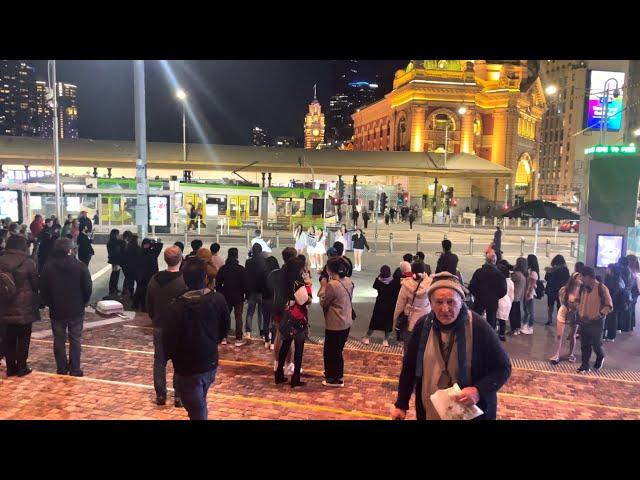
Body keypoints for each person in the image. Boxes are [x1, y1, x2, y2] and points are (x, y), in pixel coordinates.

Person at [391, 272, 512, 420]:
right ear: (430, 302)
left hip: (468, 414)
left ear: (461, 301)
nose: (445, 309)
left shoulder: (478, 327)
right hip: (431, 411)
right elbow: (409, 367)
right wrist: (401, 404)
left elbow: (503, 367)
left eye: (451, 302)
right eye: (439, 302)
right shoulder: (423, 326)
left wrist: (478, 390)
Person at [161, 258, 230, 420]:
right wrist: (213, 341)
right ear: (205, 277)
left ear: (184, 278)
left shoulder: (176, 307)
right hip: (209, 362)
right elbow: (224, 327)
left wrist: (171, 357)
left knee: (197, 411)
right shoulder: (218, 299)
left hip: (186, 368)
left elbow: (168, 340)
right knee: (199, 404)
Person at [39, 238, 92, 376]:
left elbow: (43, 289)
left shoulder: (48, 266)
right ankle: (75, 368)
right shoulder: (80, 266)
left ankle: (61, 368)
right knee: (75, 339)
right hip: (76, 309)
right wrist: (84, 302)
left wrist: (50, 303)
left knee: (59, 339)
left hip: (57, 309)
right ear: (70, 249)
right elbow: (87, 287)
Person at [146, 246, 188, 406]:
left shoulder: (154, 279)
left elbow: (148, 305)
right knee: (180, 361)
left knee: (159, 361)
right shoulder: (184, 281)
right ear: (181, 259)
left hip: (159, 326)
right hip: (179, 329)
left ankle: (161, 395)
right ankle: (178, 396)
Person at [0, 235, 40, 377]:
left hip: (4, 307)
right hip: (25, 308)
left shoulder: (1, 260)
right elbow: (36, 285)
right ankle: (22, 367)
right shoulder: (28, 262)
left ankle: (11, 368)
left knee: (8, 338)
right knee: (23, 339)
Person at [275, 255, 312, 388]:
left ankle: (279, 373)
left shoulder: (283, 279)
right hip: (297, 317)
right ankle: (295, 377)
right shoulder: (298, 282)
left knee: (285, 344)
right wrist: (308, 285)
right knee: (299, 347)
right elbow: (304, 300)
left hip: (286, 315)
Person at [319, 257, 354, 387]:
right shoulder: (348, 281)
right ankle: (331, 373)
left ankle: (335, 378)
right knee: (337, 350)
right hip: (346, 321)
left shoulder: (332, 285)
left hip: (335, 323)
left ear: (330, 270)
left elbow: (324, 302)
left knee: (331, 351)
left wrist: (323, 287)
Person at [576, 267, 612, 372]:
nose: (581, 279)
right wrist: (579, 309)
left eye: (582, 276)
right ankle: (585, 365)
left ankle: (600, 356)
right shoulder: (583, 288)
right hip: (583, 321)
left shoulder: (601, 288)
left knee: (596, 344)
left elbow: (609, 305)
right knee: (584, 344)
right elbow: (579, 301)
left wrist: (599, 315)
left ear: (588, 277)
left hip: (596, 322)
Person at [268, 247, 297, 369]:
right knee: (291, 336)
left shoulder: (275, 274)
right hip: (290, 307)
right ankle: (289, 363)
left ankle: (276, 362)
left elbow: (270, 289)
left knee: (279, 334)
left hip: (277, 306)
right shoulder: (295, 275)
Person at [393, 261, 432, 350]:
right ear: (424, 271)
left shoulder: (406, 285)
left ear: (412, 271)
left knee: (409, 347)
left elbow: (400, 305)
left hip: (411, 320)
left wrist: (395, 321)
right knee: (424, 347)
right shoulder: (430, 283)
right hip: (427, 319)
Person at [215, 247, 248, 346]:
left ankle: (224, 337)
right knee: (238, 317)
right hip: (238, 296)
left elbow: (218, 283)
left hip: (226, 296)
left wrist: (220, 292)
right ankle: (238, 338)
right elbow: (246, 283)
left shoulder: (223, 268)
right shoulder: (241, 269)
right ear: (237, 256)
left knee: (225, 316)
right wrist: (246, 294)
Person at [362, 265, 400, 347]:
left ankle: (367, 338)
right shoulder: (394, 282)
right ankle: (385, 340)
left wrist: (378, 277)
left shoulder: (378, 282)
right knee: (388, 323)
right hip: (390, 306)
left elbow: (374, 285)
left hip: (379, 305)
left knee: (374, 322)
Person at [468, 252, 507, 330]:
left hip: (480, 299)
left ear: (486, 260)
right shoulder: (499, 274)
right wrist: (496, 297)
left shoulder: (479, 272)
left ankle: (474, 334)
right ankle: (490, 338)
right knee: (491, 321)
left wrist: (477, 295)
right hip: (492, 301)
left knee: (475, 319)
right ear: (495, 261)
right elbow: (503, 290)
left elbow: (472, 286)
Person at [550, 272, 582, 365]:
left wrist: (576, 305)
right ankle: (556, 354)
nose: (581, 279)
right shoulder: (564, 289)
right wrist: (575, 303)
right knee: (559, 335)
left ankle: (571, 354)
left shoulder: (582, 291)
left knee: (572, 335)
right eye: (578, 278)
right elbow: (563, 302)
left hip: (575, 315)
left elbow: (582, 304)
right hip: (564, 313)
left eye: (581, 277)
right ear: (573, 279)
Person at [244, 243, 269, 340]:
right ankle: (262, 333)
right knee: (261, 313)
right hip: (262, 291)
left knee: (250, 312)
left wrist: (246, 292)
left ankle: (248, 332)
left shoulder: (248, 262)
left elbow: (246, 276)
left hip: (252, 291)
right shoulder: (265, 261)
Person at [133, 238, 163, 312]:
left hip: (142, 275)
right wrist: (153, 243)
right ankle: (144, 306)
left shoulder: (139, 251)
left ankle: (137, 304)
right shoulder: (152, 252)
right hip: (148, 275)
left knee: (141, 290)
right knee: (145, 292)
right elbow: (159, 247)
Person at [544, 255, 570, 326]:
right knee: (560, 306)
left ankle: (549, 320)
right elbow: (566, 280)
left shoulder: (551, 269)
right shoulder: (565, 270)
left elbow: (546, 278)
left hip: (551, 289)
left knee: (550, 305)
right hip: (560, 290)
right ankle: (560, 319)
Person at [603, 264, 625, 342]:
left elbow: (611, 291)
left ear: (611, 270)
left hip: (612, 301)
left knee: (610, 319)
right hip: (615, 301)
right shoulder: (617, 278)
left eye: (608, 268)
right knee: (612, 319)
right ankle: (610, 336)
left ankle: (609, 336)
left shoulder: (612, 279)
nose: (606, 269)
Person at [262, 255, 280, 349]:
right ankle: (273, 342)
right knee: (274, 321)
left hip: (265, 299)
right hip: (275, 300)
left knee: (265, 320)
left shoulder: (264, 273)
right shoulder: (279, 273)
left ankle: (266, 341)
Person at [521, 254, 540, 335]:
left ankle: (530, 327)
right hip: (527, 292)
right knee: (526, 310)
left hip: (529, 294)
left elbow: (532, 286)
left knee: (530, 311)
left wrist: (528, 294)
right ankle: (525, 325)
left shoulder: (533, 273)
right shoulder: (531, 271)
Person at [496, 262, 514, 342]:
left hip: (499, 301)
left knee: (495, 318)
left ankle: (496, 333)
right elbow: (511, 294)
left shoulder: (498, 281)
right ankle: (502, 335)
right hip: (507, 302)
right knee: (502, 320)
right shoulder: (510, 282)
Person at [617, 256, 635, 332]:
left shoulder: (624, 271)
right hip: (628, 292)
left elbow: (622, 283)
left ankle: (623, 327)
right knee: (627, 310)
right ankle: (627, 327)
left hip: (624, 292)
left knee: (624, 310)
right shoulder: (629, 270)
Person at [509, 257, 527, 335]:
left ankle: (513, 329)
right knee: (517, 313)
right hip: (519, 296)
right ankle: (517, 328)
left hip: (513, 296)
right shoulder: (523, 274)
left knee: (512, 313)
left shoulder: (516, 274)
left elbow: (509, 282)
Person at [121, 232, 138, 299]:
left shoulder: (127, 247)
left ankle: (128, 292)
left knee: (129, 279)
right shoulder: (136, 248)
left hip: (127, 266)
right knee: (132, 280)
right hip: (133, 267)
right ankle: (130, 293)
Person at [626, 254, 640, 331]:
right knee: (632, 308)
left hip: (633, 291)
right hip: (636, 291)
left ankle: (628, 326)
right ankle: (631, 325)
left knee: (629, 308)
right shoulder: (637, 269)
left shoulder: (631, 271)